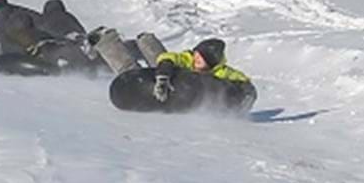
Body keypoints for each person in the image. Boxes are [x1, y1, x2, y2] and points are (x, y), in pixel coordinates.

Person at [109, 36, 255, 114]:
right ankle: (110, 41)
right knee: (136, 68)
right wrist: (163, 78)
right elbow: (168, 58)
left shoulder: (221, 71)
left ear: (211, 61)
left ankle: (144, 40)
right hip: (164, 73)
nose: (196, 58)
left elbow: (245, 83)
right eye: (196, 54)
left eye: (201, 57)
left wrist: (246, 97)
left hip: (187, 91)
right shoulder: (187, 59)